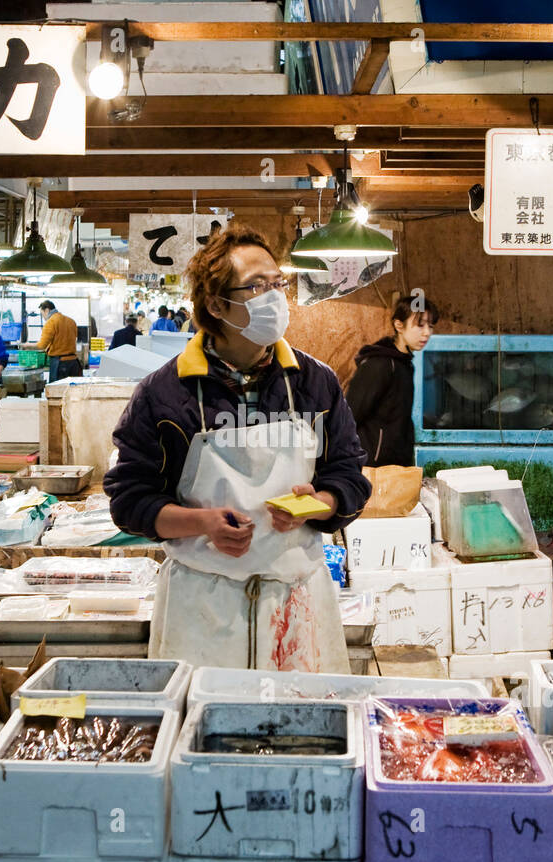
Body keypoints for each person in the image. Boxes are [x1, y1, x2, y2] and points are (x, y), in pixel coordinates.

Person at [105, 222, 371, 672]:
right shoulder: (164, 393)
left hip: (296, 600)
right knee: (201, 731)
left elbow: (349, 475)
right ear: (216, 304)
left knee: (302, 732)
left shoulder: (315, 382)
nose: (275, 297)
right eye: (256, 286)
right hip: (203, 607)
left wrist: (319, 503)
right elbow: (130, 500)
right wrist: (202, 522)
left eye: (277, 283)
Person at [345, 295, 440, 467]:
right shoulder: (380, 364)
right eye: (420, 325)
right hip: (372, 469)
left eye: (430, 326)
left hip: (395, 467)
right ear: (399, 325)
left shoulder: (404, 363)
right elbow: (349, 416)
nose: (427, 332)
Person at [29, 299, 81, 379]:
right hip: (74, 363)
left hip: (60, 364)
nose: (43, 318)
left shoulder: (51, 322)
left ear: (46, 310)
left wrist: (27, 345)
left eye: (42, 314)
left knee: (57, 390)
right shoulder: (71, 321)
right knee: (74, 390)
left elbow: (42, 345)